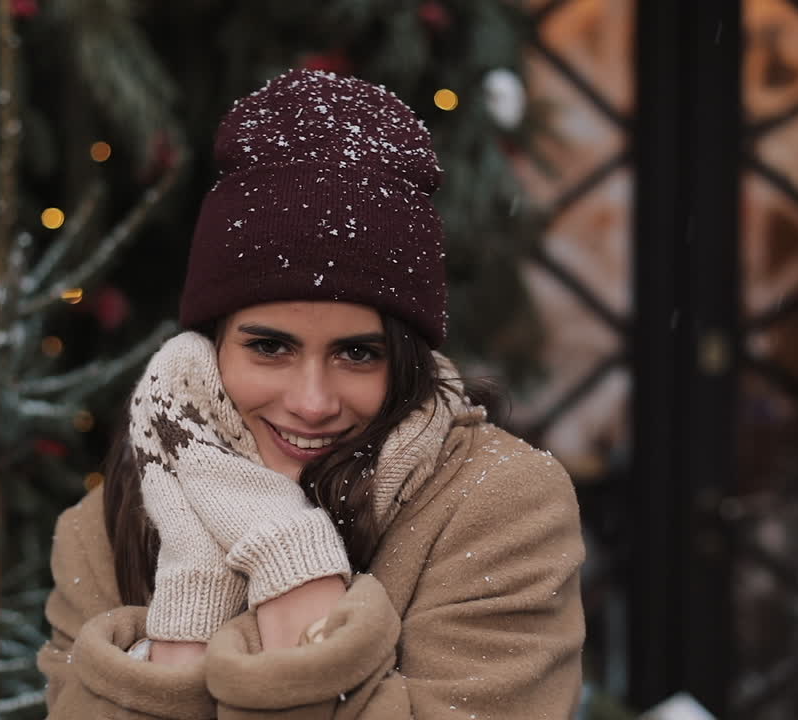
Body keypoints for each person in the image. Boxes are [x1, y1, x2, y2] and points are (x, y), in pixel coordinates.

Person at [37, 68, 585, 719]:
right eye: (270, 347)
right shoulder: (107, 525)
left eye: (357, 352)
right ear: (210, 349)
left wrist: (293, 575)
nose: (312, 401)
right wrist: (186, 623)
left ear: (405, 360)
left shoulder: (498, 506)